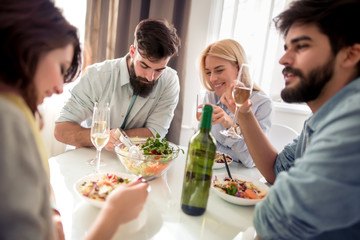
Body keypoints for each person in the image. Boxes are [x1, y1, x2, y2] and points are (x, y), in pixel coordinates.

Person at [0, 1, 149, 239]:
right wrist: (113, 213)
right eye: (61, 67)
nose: (60, 88)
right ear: (29, 48)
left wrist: (50, 211)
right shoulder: (8, 119)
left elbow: (31, 183)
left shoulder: (18, 111)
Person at [221, 0, 360, 239]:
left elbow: (280, 220)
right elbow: (277, 170)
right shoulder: (317, 119)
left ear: (350, 54)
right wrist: (244, 113)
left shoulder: (354, 116)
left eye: (301, 46)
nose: (283, 59)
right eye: (286, 47)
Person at [54, 18, 181, 151]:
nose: (150, 77)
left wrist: (118, 137)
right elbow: (61, 130)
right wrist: (102, 137)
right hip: (90, 158)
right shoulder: (97, 76)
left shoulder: (169, 82)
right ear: (132, 52)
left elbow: (155, 133)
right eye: (144, 65)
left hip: (135, 164)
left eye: (159, 70)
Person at [199, 39, 272, 167]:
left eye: (219, 70)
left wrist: (229, 125)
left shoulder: (262, 103)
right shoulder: (211, 97)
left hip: (241, 177)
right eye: (208, 72)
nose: (212, 79)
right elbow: (202, 145)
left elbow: (250, 160)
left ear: (238, 68)